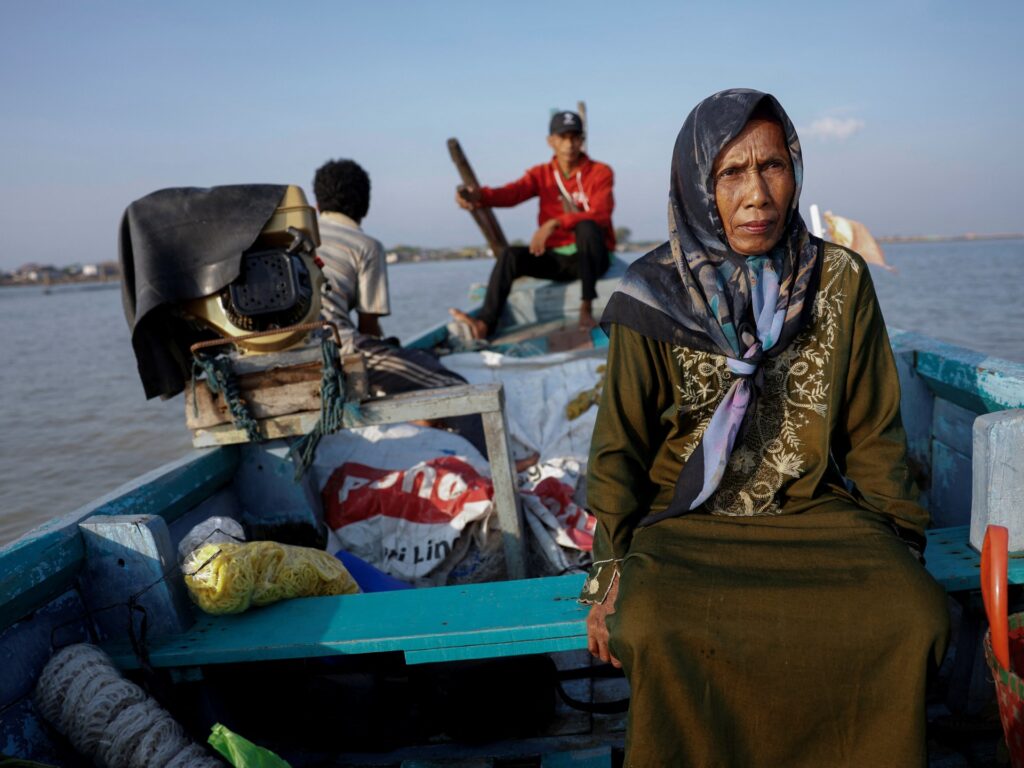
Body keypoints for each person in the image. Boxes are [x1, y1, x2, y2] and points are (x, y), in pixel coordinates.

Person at [580, 89, 949, 766]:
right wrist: (608, 573)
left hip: (816, 516)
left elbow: (873, 436)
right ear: (698, 184)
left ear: (795, 171)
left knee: (912, 617)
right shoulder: (649, 291)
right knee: (653, 627)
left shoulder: (839, 279)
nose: (757, 194)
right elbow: (618, 450)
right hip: (688, 524)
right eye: (731, 173)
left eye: (773, 167)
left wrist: (902, 548)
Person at [314, 159, 485, 453]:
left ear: (317, 205)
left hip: (291, 353)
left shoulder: (295, 235)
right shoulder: (365, 245)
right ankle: (495, 463)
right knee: (455, 387)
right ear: (364, 206)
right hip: (338, 350)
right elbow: (368, 327)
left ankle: (424, 423)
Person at [449, 110, 615, 337]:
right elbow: (512, 193)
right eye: (562, 137)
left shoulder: (600, 172)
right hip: (558, 259)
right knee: (510, 255)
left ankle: (586, 306)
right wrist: (478, 196)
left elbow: (602, 214)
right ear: (551, 141)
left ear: (582, 141)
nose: (569, 144)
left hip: (592, 259)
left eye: (575, 137)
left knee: (587, 226)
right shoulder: (542, 174)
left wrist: (554, 223)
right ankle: (485, 323)